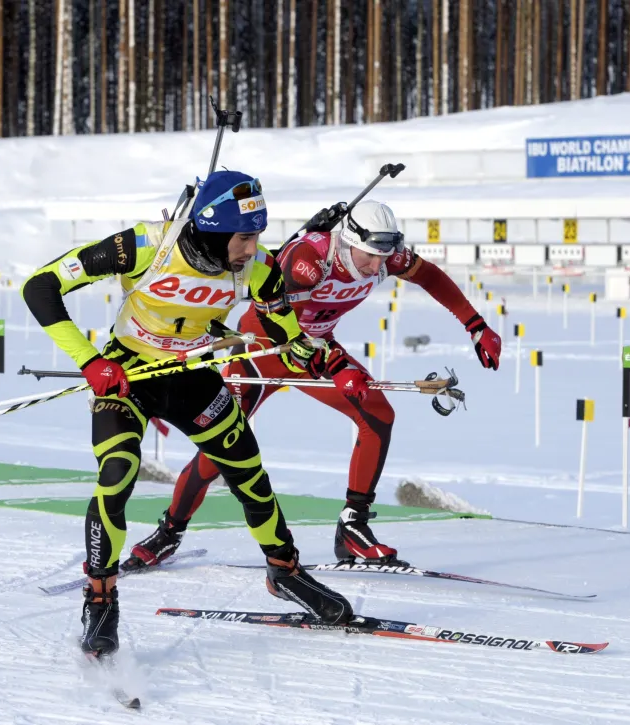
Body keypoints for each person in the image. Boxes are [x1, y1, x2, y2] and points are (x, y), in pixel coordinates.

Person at [22, 170, 353, 658]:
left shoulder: (256, 265)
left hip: (191, 374)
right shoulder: (144, 246)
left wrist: (308, 352)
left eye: (257, 236)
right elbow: (40, 287)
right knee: (117, 472)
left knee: (247, 470)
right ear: (215, 231)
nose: (253, 248)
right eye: (244, 237)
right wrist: (91, 362)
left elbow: (282, 319)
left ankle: (284, 572)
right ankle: (100, 598)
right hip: (129, 373)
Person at [124, 200, 502, 572]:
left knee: (378, 414)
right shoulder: (310, 259)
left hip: (316, 353)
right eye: (368, 255)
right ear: (348, 237)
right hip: (263, 349)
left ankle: (354, 525)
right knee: (221, 449)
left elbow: (430, 276)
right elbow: (287, 328)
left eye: (382, 258)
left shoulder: (385, 257)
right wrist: (337, 366)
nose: (376, 266)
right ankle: (169, 531)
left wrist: (476, 325)